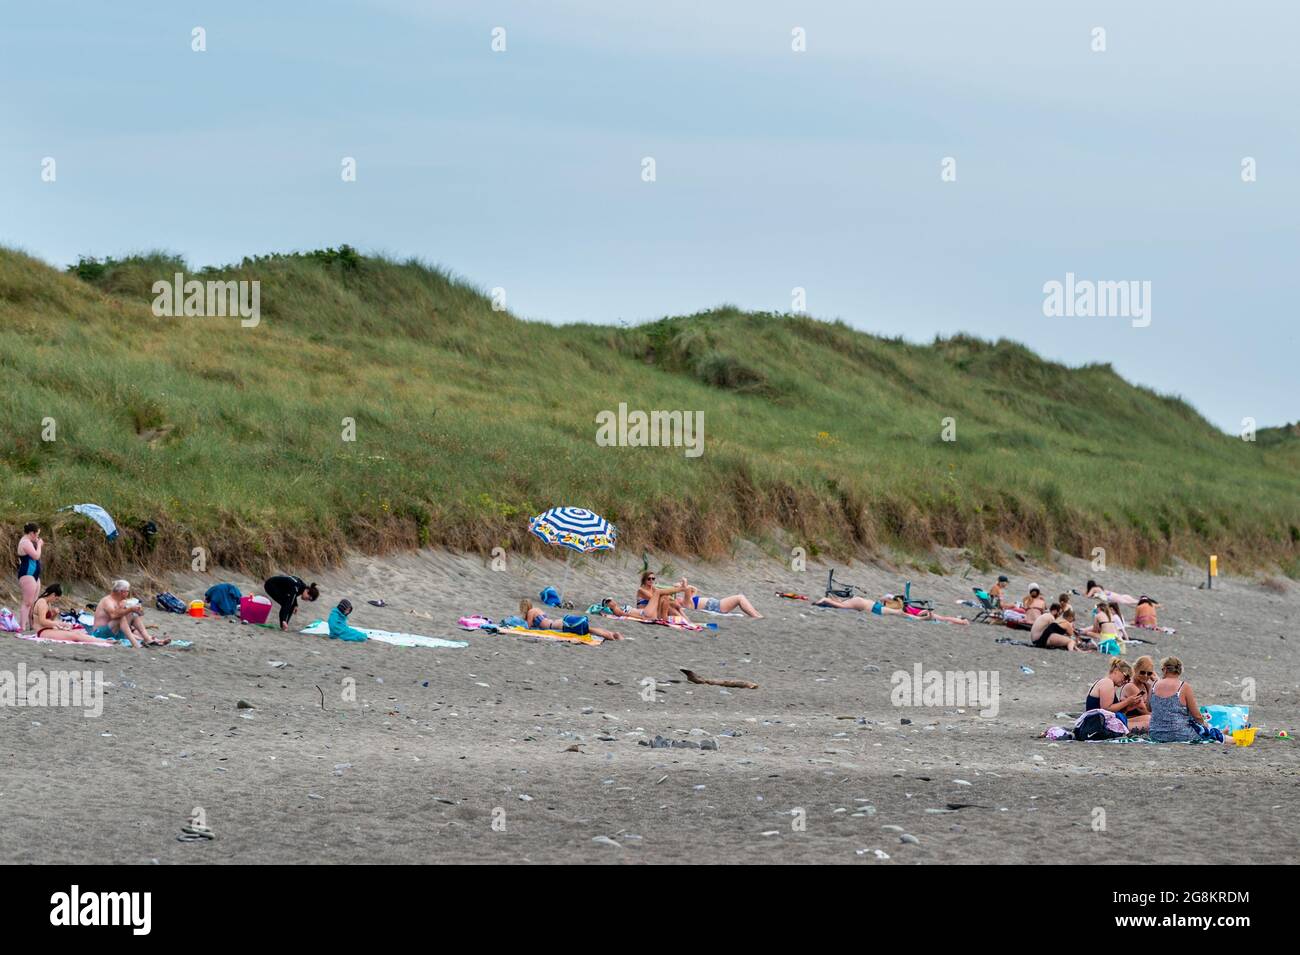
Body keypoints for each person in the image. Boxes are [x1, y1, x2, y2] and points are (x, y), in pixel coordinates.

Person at [1149, 656, 1231, 744]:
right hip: (1179, 734)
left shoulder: (1154, 685)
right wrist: (1205, 725)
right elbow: (1197, 716)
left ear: (1165, 669)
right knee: (1199, 726)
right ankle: (1221, 734)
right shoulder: (1183, 687)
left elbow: (1149, 708)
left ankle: (1217, 732)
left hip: (1155, 734)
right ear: (1179, 670)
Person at [91, 580, 168, 647]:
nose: (128, 593)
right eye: (127, 591)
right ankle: (135, 643)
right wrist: (130, 609)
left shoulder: (121, 601)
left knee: (132, 614)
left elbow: (141, 615)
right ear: (122, 592)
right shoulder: (107, 601)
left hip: (114, 632)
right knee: (122, 616)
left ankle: (148, 639)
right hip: (100, 634)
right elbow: (113, 615)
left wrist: (137, 610)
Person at [29, 583, 100, 643]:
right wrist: (58, 623)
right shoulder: (42, 603)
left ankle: (99, 640)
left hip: (47, 629)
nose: (55, 601)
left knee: (77, 632)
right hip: (42, 631)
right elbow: (42, 621)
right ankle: (101, 641)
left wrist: (54, 614)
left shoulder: (48, 603)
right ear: (53, 594)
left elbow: (49, 620)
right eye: (56, 599)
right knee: (74, 636)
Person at [519, 599, 623, 640]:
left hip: (556, 625)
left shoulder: (530, 612)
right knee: (589, 629)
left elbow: (527, 627)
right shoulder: (537, 609)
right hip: (558, 621)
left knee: (589, 629)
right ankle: (613, 634)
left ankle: (611, 636)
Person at [1084, 660, 1145, 728]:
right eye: (1126, 676)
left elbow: (1110, 712)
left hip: (1101, 722)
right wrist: (1127, 701)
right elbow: (1106, 709)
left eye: (1128, 680)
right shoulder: (1107, 682)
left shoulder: (1106, 683)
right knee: (1147, 723)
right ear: (1116, 671)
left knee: (1148, 718)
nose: (1126, 681)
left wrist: (1127, 708)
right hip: (1098, 725)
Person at [677, 582, 763, 618]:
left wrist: (682, 586)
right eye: (677, 599)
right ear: (679, 603)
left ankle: (758, 615)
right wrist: (682, 585)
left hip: (717, 604)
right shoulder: (686, 603)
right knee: (740, 598)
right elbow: (688, 589)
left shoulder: (689, 600)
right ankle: (756, 616)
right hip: (717, 606)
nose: (678, 597)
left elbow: (694, 589)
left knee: (740, 597)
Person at [1118, 655, 1157, 733]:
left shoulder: (1147, 685)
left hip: (1142, 719)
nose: (1145, 676)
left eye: (1149, 673)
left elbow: (1161, 699)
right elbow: (1143, 710)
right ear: (1135, 670)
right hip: (1130, 720)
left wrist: (1156, 681)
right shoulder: (1131, 686)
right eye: (1142, 672)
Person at [16, 522, 42, 631]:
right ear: (32, 533)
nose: (38, 537)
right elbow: (36, 556)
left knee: (33, 602)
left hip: (34, 575)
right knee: (27, 602)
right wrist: (39, 545)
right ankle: (21, 626)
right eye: (37, 534)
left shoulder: (30, 542)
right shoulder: (25, 542)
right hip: (27, 574)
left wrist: (37, 543)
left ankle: (32, 625)